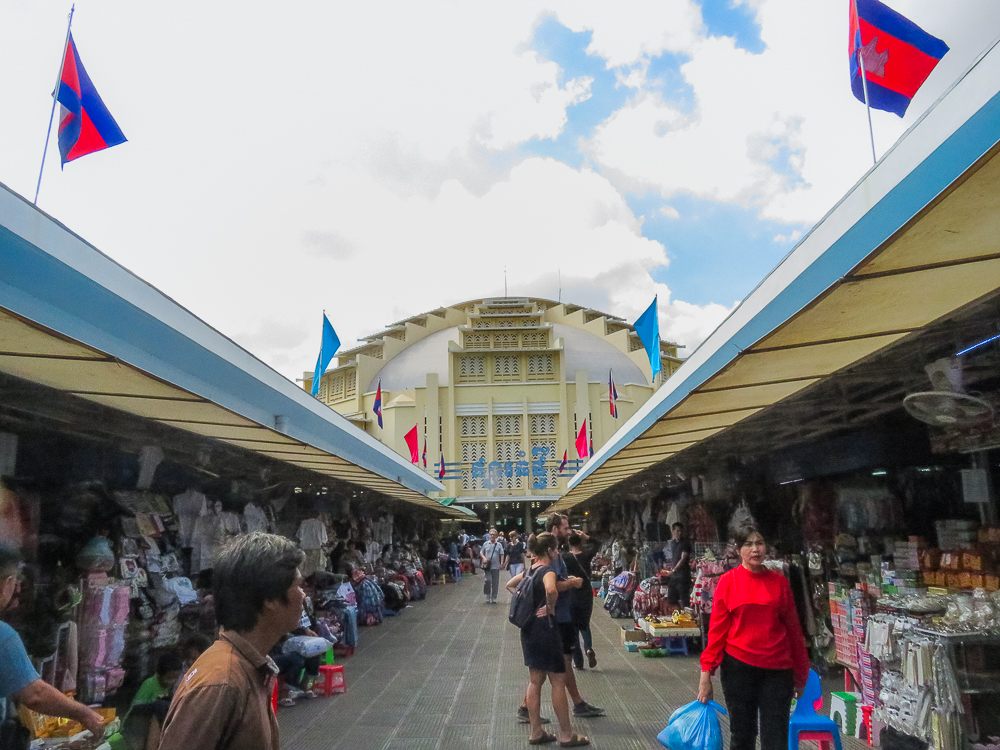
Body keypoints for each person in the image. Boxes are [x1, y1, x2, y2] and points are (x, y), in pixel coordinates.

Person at [158, 532, 306, 750]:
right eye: (297, 586)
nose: (304, 595)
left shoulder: (248, 668)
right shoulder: (221, 683)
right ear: (270, 599)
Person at [697, 512, 809, 750]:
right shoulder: (728, 582)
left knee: (775, 738)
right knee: (742, 736)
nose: (755, 549)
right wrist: (706, 674)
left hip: (778, 672)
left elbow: (794, 631)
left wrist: (801, 676)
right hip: (738, 669)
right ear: (738, 549)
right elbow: (716, 632)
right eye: (748, 544)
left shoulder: (779, 583)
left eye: (759, 543)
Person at [0, 547, 106, 739]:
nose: (17, 588)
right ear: (5, 584)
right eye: (15, 581)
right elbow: (35, 695)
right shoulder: (4, 637)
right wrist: (84, 713)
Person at [506, 533, 589, 748]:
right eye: (556, 549)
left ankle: (536, 732)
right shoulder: (547, 570)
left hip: (528, 631)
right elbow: (551, 588)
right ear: (550, 551)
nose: (558, 552)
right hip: (546, 630)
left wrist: (530, 607)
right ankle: (566, 734)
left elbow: (510, 585)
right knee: (558, 681)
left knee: (535, 681)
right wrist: (549, 606)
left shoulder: (529, 569)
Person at [564, 532, 598, 669]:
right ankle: (589, 648)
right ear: (580, 543)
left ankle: (578, 662)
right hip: (586, 594)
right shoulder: (586, 555)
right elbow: (598, 544)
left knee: (573, 628)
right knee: (585, 624)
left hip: (571, 593)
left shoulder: (565, 557)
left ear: (569, 544)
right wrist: (587, 536)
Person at [665, 522, 693, 608]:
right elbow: (675, 557)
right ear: (672, 531)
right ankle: (678, 615)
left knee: (684, 598)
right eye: (677, 531)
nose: (679, 533)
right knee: (672, 598)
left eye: (680, 531)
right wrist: (670, 566)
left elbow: (683, 559)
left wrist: (674, 569)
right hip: (675, 576)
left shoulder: (685, 543)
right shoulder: (673, 543)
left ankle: (687, 617)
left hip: (683, 575)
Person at [480, 528, 505, 604]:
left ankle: (494, 596)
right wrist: (484, 558)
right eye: (491, 534)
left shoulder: (499, 545)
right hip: (487, 566)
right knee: (488, 580)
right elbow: (481, 552)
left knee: (495, 582)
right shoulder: (486, 544)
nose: (492, 536)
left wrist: (502, 563)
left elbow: (502, 554)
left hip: (496, 566)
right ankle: (487, 595)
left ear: (496, 536)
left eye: (494, 535)